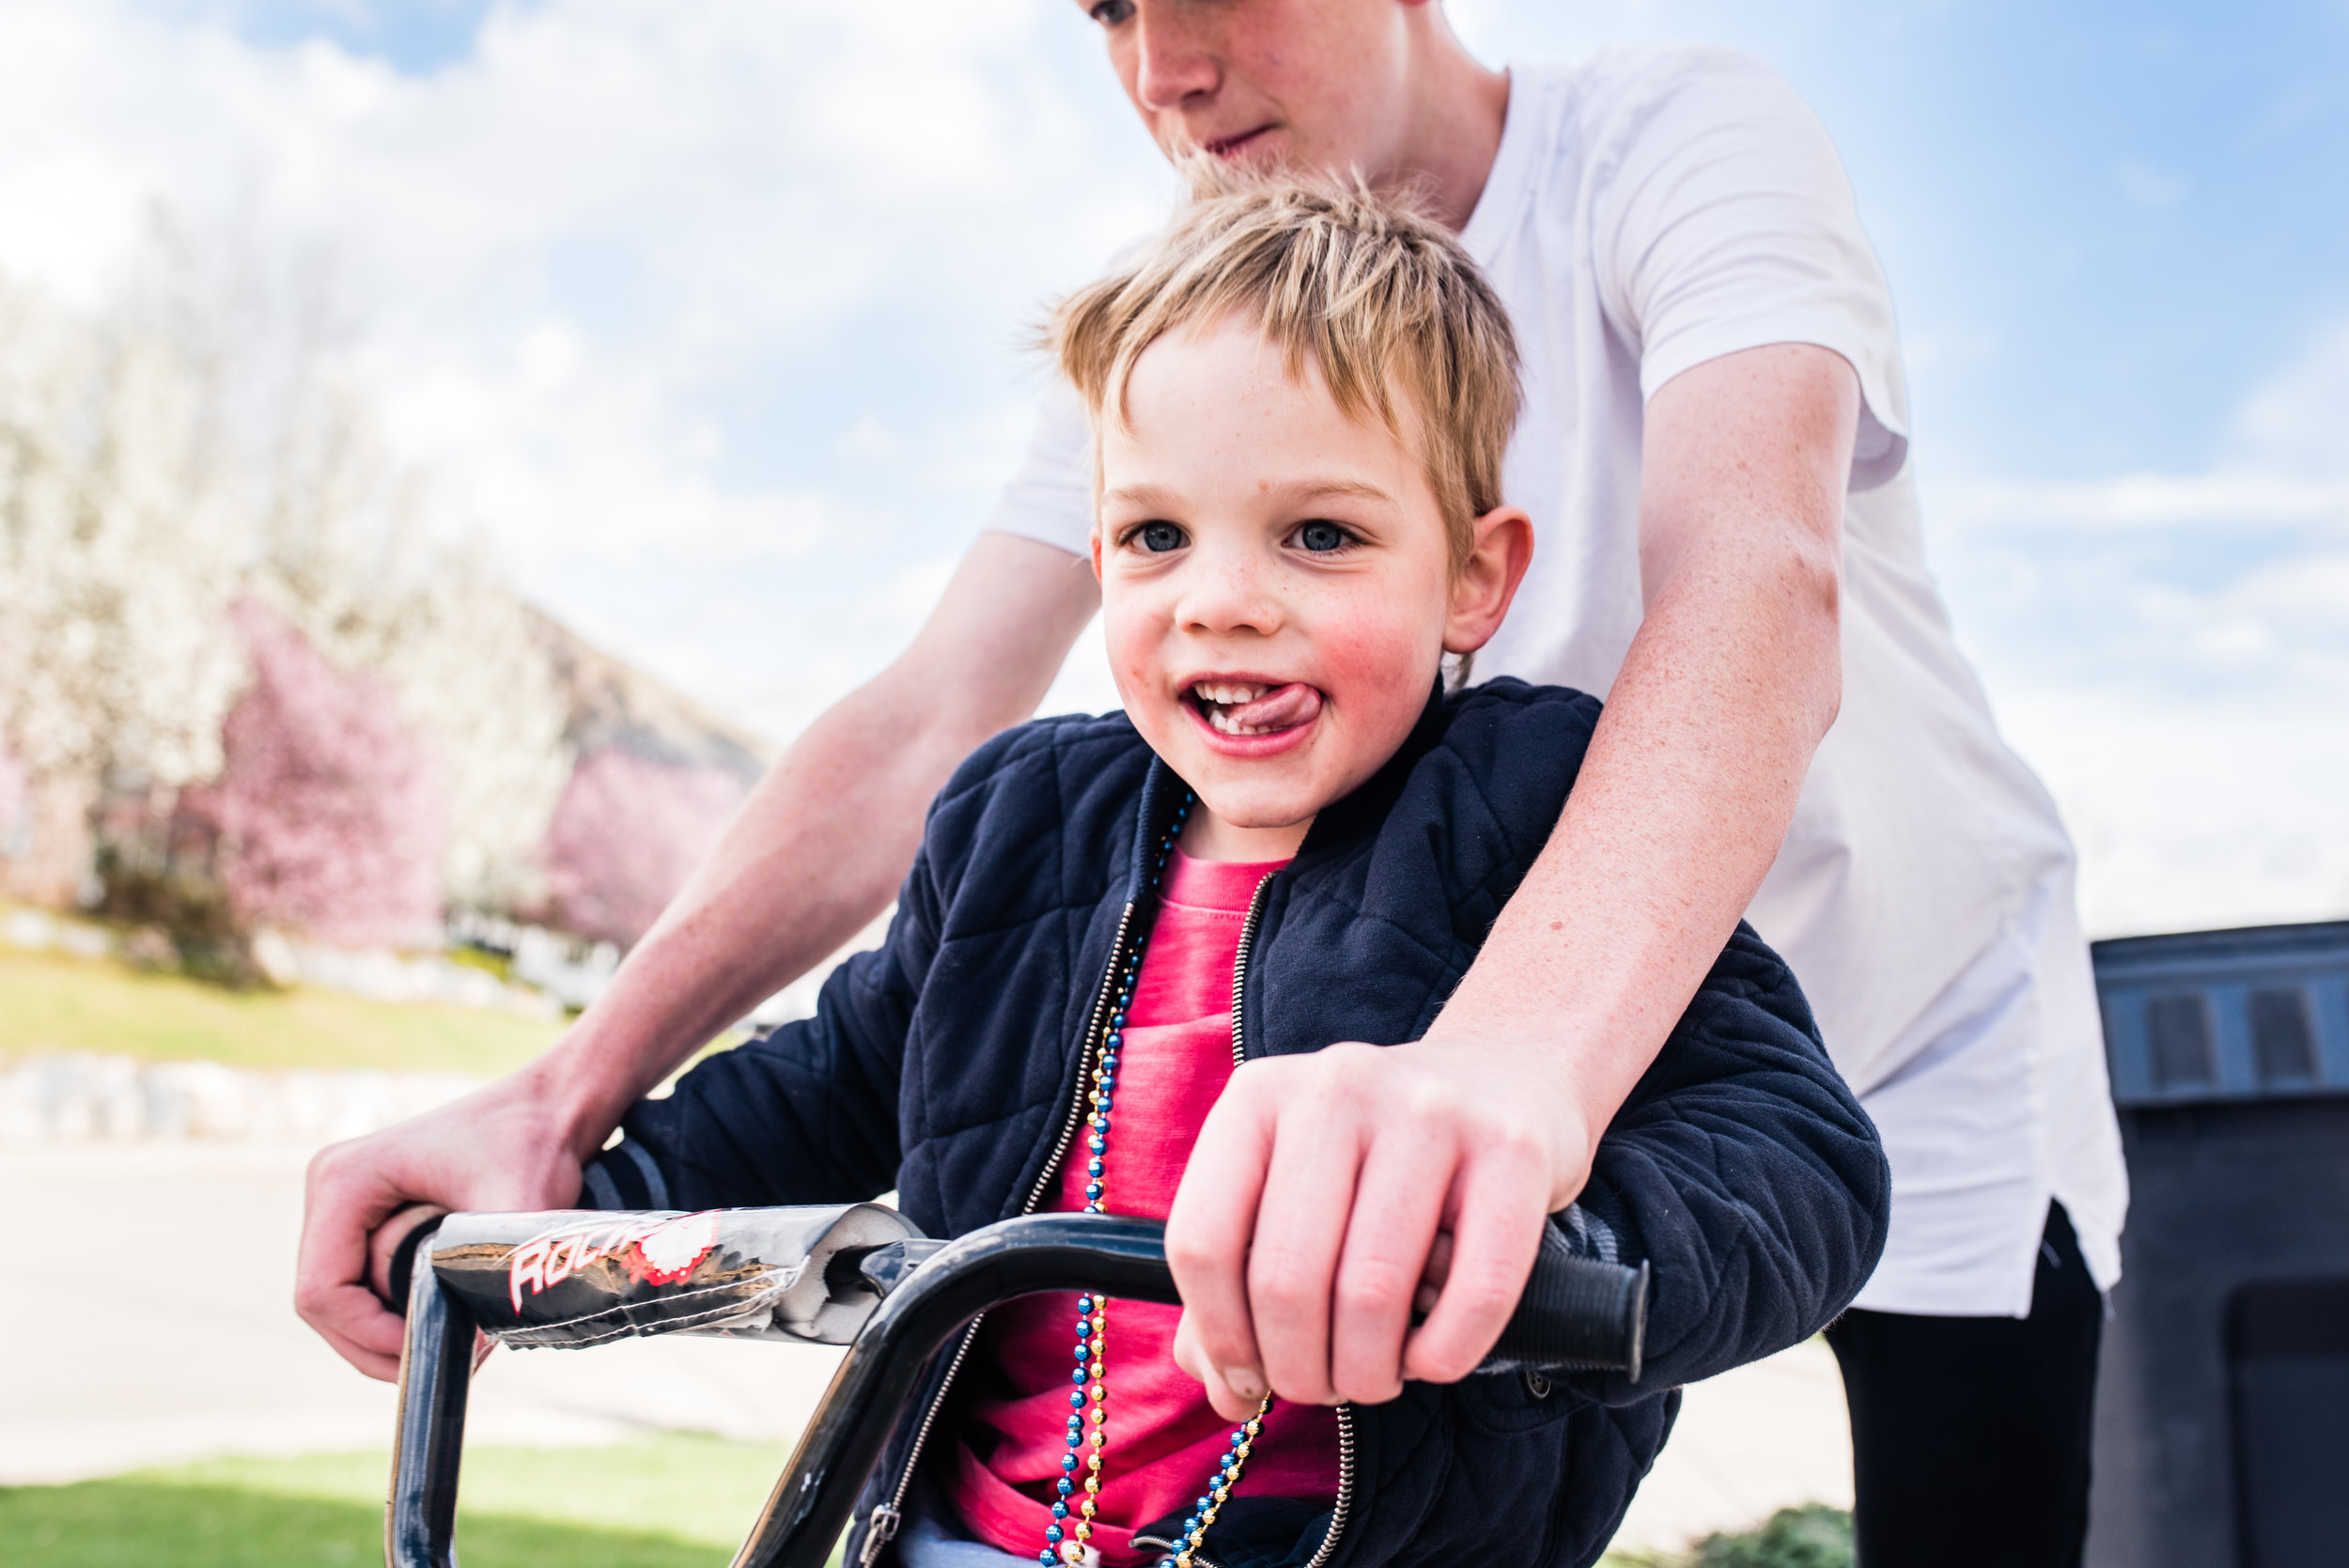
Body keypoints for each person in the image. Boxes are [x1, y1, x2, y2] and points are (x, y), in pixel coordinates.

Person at [299, 5, 2124, 1563]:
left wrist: (1498, 1074)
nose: (1164, 64)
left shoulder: (1669, 139)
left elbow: (1754, 574)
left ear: (1473, 569)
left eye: (1319, 529)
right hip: (1424, 1078)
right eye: (1102, 3)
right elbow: (934, 716)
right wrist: (563, 1104)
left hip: (1856, 1031)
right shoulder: (1175, 354)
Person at [565, 178, 1889, 1568]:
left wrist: (1559, 1256)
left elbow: (1799, 1158)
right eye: (1155, 536)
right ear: (1099, 560)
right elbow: (836, 1079)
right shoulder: (1019, 820)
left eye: (1321, 534)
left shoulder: (1540, 810)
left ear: (1473, 580)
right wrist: (600, 1188)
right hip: (956, 1531)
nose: (1221, 597)